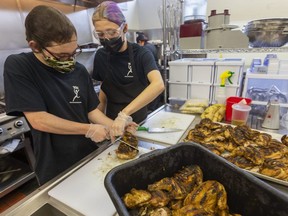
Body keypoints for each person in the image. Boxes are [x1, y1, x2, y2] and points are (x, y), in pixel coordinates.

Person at [3, 5, 132, 185]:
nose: (69, 60)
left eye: (73, 53)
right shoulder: (20, 66)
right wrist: (87, 129)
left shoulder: (78, 70)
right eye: (62, 55)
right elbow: (39, 120)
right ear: (35, 46)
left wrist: (116, 126)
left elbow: (91, 112)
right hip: (54, 165)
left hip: (87, 154)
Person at [91, 1, 165, 135]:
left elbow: (158, 84)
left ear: (124, 28)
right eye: (101, 35)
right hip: (111, 123)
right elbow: (104, 89)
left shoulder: (141, 54)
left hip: (138, 123)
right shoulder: (100, 56)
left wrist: (124, 114)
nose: (107, 38)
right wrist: (99, 121)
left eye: (112, 32)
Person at [136, 32, 164, 111]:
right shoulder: (152, 46)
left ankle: (151, 109)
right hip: (157, 69)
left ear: (141, 42)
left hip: (151, 70)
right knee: (156, 91)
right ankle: (154, 108)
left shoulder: (144, 49)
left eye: (138, 43)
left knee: (152, 89)